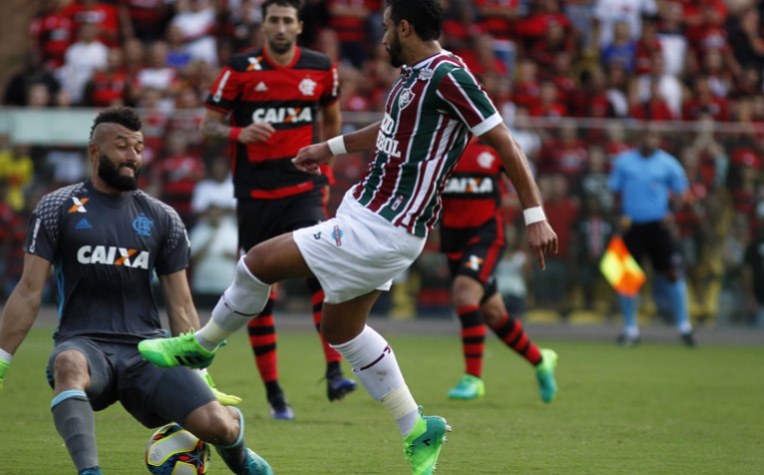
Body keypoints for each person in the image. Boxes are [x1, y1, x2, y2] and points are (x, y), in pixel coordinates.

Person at [138, 1, 558, 472]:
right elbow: (391, 130)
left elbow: (505, 141)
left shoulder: (448, 74)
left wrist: (535, 215)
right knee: (340, 328)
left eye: (385, 29)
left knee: (257, 262)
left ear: (404, 27)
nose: (381, 39)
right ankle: (417, 428)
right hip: (374, 217)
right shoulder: (414, 76)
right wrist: (328, 146)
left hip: (384, 225)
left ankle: (201, 346)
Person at [0, 107, 272, 475]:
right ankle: (90, 472)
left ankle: (241, 457)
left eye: (139, 146)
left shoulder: (164, 218)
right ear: (95, 152)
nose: (132, 155)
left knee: (219, 426)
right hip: (84, 344)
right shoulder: (56, 207)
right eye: (122, 146)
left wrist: (201, 375)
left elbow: (180, 305)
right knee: (67, 365)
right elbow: (27, 292)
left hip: (148, 348)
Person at [196, 0, 357, 420]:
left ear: (300, 26)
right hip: (255, 194)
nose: (281, 27)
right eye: (274, 20)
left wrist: (328, 160)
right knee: (258, 291)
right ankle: (274, 395)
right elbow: (207, 125)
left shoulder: (321, 67)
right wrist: (238, 131)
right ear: (264, 26)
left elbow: (333, 113)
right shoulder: (241, 68)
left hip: (304, 187)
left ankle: (335, 370)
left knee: (322, 268)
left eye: (288, 20)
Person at [440, 138, 558, 402]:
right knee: (493, 314)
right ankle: (541, 360)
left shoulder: (495, 142)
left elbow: (526, 181)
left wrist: (534, 218)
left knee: (464, 295)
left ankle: (473, 378)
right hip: (452, 239)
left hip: (486, 236)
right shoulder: (440, 142)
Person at [608, 126, 695, 346]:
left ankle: (684, 327)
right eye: (645, 136)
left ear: (658, 139)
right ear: (638, 139)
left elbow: (682, 193)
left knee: (672, 273)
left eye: (653, 136)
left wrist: (671, 214)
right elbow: (614, 193)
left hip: (658, 226)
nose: (649, 140)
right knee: (627, 278)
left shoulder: (668, 163)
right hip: (632, 226)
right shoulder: (624, 161)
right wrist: (618, 216)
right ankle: (630, 329)